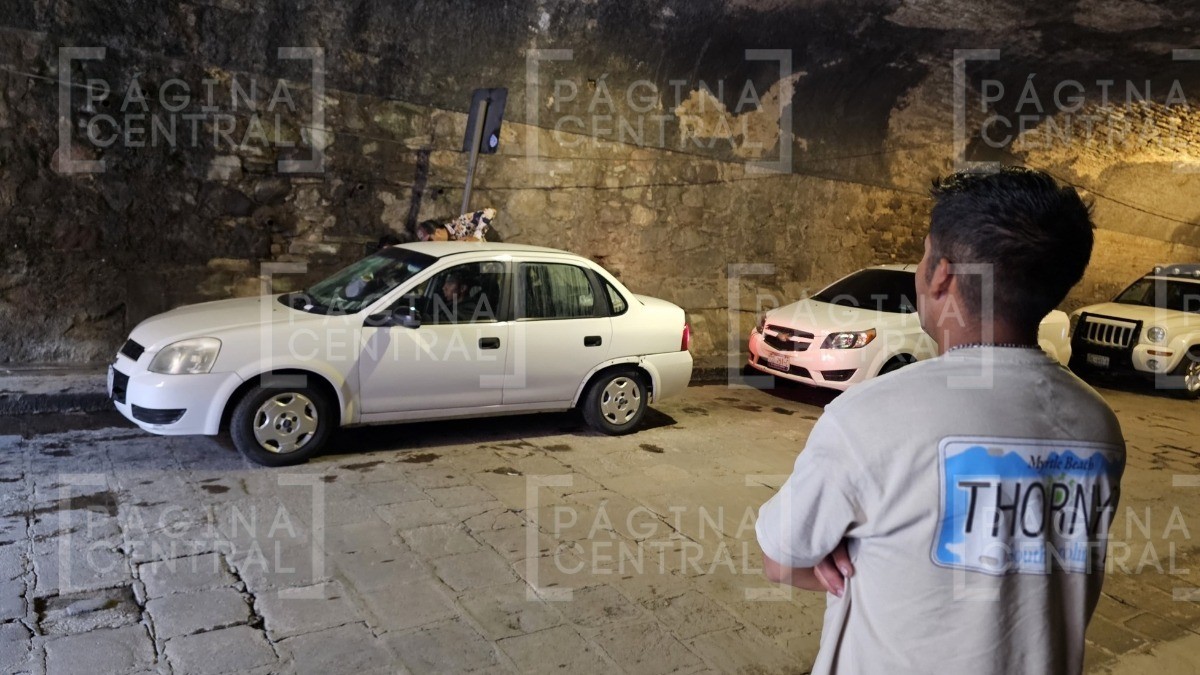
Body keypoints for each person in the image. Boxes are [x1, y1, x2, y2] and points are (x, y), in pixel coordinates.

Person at [756, 167, 1125, 675]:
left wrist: (847, 552)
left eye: (924, 254)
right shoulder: (1099, 427)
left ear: (942, 275)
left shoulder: (867, 418)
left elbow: (779, 558)